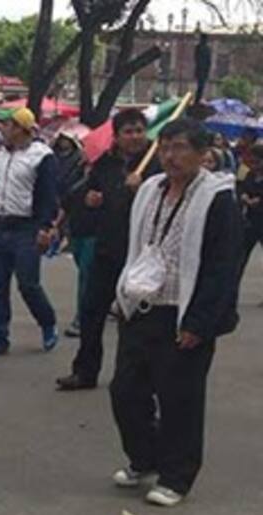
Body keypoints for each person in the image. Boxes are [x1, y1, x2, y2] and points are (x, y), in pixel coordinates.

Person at [110, 119, 241, 507]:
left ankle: (176, 476)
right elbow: (130, 244)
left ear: (202, 154)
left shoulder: (217, 199)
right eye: (165, 147)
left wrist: (199, 322)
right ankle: (144, 457)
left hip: (183, 315)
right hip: (141, 307)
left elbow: (223, 266)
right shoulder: (150, 189)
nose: (170, 155)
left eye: (180, 147)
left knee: (179, 399)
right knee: (125, 392)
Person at [56, 109, 161, 391]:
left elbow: (165, 204)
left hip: (142, 254)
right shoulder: (106, 164)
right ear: (117, 136)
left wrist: (141, 189)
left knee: (135, 320)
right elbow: (84, 194)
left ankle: (134, 377)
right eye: (128, 131)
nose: (135, 136)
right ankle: (85, 371)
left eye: (139, 130)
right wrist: (89, 199)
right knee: (91, 312)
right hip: (107, 249)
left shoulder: (157, 164)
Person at [0, 107, 59, 356]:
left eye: (8, 125)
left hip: (26, 227)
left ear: (21, 129)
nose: (3, 129)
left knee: (28, 283)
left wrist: (45, 226)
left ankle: (47, 322)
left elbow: (48, 195)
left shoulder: (42, 157)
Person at [52, 132, 90, 337]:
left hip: (97, 232)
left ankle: (82, 318)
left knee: (87, 274)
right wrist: (56, 225)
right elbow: (66, 199)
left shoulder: (108, 173)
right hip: (76, 228)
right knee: (82, 267)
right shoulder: (74, 170)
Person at [238, 143, 263, 280]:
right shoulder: (249, 174)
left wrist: (259, 200)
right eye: (252, 162)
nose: (254, 165)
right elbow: (241, 187)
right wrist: (243, 195)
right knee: (241, 256)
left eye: (257, 162)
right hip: (250, 220)